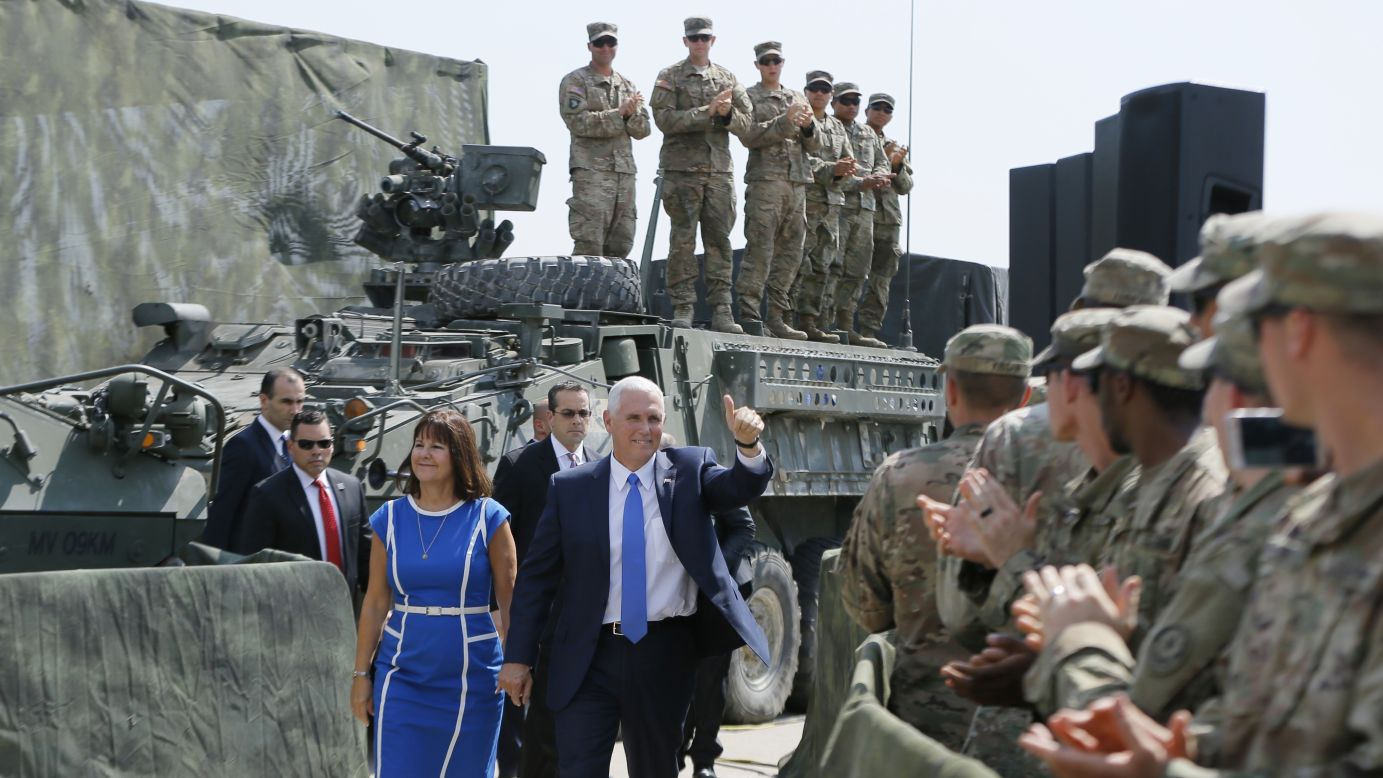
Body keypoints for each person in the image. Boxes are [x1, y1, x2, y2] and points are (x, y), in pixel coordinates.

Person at [1021, 212, 1383, 776]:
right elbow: (1258, 726)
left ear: (1298, 332)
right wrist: (1188, 751)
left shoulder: (1293, 511)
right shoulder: (1314, 516)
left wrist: (1086, 643)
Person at [1019, 309, 1303, 722]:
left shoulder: (1203, 492)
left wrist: (1079, 642)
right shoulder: (1137, 483)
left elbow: (1196, 674)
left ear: (1121, 387)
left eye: (1096, 384)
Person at [499, 377, 772, 778]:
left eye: (654, 418)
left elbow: (737, 486)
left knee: (655, 769)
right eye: (634, 418)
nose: (645, 429)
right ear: (608, 422)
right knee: (576, 769)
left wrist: (748, 447)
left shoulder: (690, 470)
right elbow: (536, 580)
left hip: (663, 653)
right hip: (587, 657)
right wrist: (518, 658)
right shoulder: (571, 488)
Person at [840, 325, 1033, 749]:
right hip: (1031, 727)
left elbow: (865, 606)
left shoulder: (900, 476)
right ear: (1025, 398)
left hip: (925, 725)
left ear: (950, 391)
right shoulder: (1059, 476)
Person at [351, 409, 519, 778]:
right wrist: (361, 675)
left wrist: (517, 662)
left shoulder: (488, 517)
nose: (423, 454)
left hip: (472, 677)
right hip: (402, 675)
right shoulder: (389, 518)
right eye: (419, 445)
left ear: (459, 455)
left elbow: (510, 601)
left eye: (436, 446)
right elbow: (377, 601)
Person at [491, 382, 598, 778]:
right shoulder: (520, 466)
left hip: (582, 617)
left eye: (583, 413)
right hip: (531, 612)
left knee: (566, 719)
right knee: (520, 718)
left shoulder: (602, 466)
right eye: (568, 413)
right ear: (549, 418)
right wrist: (499, 612)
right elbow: (497, 545)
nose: (576, 421)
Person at [664, 432, 757, 778]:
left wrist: (711, 571)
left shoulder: (705, 476)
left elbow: (744, 528)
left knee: (708, 681)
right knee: (673, 681)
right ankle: (672, 756)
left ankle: (705, 759)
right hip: (672, 599)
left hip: (716, 596)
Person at [651, 17, 753, 334]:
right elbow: (664, 119)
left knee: (719, 241)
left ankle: (722, 308)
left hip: (719, 172)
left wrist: (726, 115)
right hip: (682, 172)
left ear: (713, 40)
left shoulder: (726, 77)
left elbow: (748, 122)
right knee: (682, 239)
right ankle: (683, 305)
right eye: (694, 38)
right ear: (685, 41)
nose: (699, 43)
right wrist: (704, 113)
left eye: (704, 38)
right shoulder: (670, 76)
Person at [233, 409, 371, 595]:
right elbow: (254, 566)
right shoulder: (267, 495)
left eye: (324, 443)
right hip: (294, 613)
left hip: (345, 609)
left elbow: (365, 556)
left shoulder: (351, 487)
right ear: (290, 447)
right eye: (306, 444)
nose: (316, 451)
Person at [733, 41, 818, 339]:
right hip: (766, 181)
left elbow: (815, 144)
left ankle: (778, 316)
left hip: (797, 183)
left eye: (776, 60)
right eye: (766, 61)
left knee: (791, 252)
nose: (772, 65)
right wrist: (784, 121)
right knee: (761, 248)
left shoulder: (796, 95)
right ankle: (750, 314)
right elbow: (749, 135)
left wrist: (808, 127)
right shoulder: (749, 96)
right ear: (757, 64)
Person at [558, 22, 650, 259]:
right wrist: (618, 114)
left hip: (624, 176)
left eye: (611, 43)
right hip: (592, 174)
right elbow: (577, 122)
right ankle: (583, 296)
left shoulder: (627, 86)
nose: (605, 48)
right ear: (590, 46)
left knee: (622, 244)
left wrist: (630, 114)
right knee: (589, 244)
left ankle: (614, 297)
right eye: (599, 43)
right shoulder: (576, 81)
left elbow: (643, 130)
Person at [203, 367, 305, 550]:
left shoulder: (295, 443)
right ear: (264, 401)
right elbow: (222, 514)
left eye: (300, 402)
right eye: (287, 402)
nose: (295, 410)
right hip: (252, 562)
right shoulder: (243, 447)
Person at [794, 70, 856, 343]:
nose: (819, 93)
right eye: (814, 89)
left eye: (824, 90)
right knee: (796, 262)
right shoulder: (800, 119)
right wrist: (834, 168)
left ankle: (810, 321)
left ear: (830, 96)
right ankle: (784, 318)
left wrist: (843, 170)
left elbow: (849, 161)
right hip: (805, 201)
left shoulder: (837, 127)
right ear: (806, 91)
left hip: (832, 205)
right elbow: (801, 159)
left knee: (824, 265)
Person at [829, 81, 892, 348]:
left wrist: (877, 175)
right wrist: (860, 182)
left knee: (858, 271)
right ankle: (822, 322)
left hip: (866, 210)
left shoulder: (868, 133)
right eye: (846, 101)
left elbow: (882, 161)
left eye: (855, 102)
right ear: (835, 103)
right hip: (836, 206)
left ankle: (845, 325)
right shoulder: (828, 128)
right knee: (831, 266)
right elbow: (829, 170)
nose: (851, 107)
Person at [858, 92, 914, 345]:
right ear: (867, 110)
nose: (881, 113)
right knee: (851, 273)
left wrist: (897, 165)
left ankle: (869, 330)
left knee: (881, 280)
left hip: (888, 220)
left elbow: (906, 186)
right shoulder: (855, 136)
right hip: (859, 213)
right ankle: (841, 327)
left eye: (887, 110)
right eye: (877, 107)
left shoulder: (895, 146)